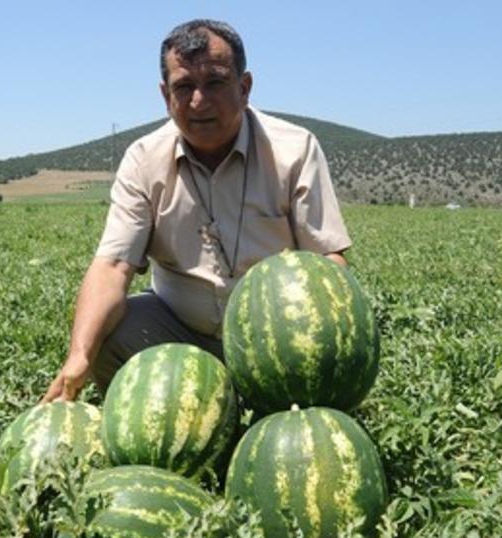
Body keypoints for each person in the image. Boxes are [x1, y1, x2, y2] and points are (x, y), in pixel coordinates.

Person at [41, 19, 352, 403]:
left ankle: (273, 406)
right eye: (184, 87)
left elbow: (327, 262)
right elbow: (113, 266)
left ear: (244, 88)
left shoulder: (294, 150)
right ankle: (170, 431)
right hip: (180, 333)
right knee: (112, 334)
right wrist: (78, 357)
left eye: (216, 83)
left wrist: (323, 349)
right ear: (164, 95)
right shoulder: (143, 160)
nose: (198, 102)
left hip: (274, 341)